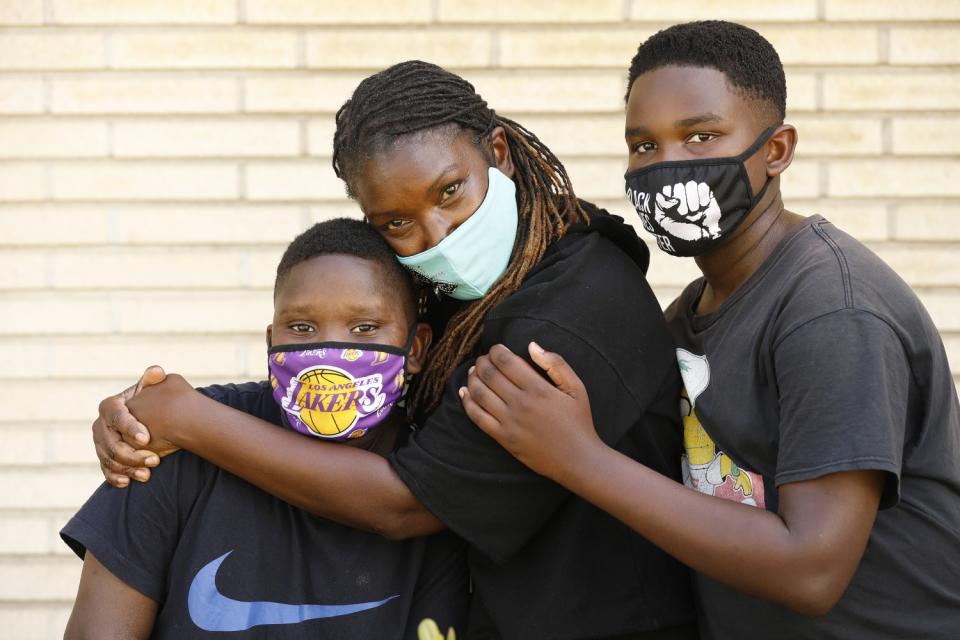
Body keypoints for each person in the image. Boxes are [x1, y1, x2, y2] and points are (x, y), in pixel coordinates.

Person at [89, 61, 697, 639]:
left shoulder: (569, 311)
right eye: (397, 224)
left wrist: (189, 418)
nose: (439, 236)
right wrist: (142, 413)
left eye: (451, 191)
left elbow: (406, 503)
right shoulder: (488, 278)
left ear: (500, 154)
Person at [459, 20, 960, 640]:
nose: (667, 165)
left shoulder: (832, 310)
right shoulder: (692, 311)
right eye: (644, 146)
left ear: (776, 150)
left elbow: (812, 570)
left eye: (701, 136)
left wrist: (579, 457)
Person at [62, 219, 468, 639]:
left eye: (364, 328)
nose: (327, 352)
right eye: (302, 327)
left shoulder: (434, 466)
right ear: (271, 343)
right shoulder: (172, 442)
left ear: (415, 347)